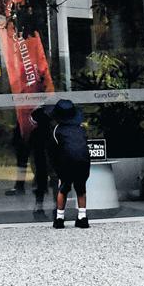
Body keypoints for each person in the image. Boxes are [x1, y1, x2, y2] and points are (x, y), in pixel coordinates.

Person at [48, 98, 92, 229]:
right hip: (83, 161)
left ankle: (59, 218)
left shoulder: (57, 130)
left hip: (66, 162)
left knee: (63, 188)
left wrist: (55, 169)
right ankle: (82, 217)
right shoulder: (81, 129)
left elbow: (53, 151)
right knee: (81, 189)